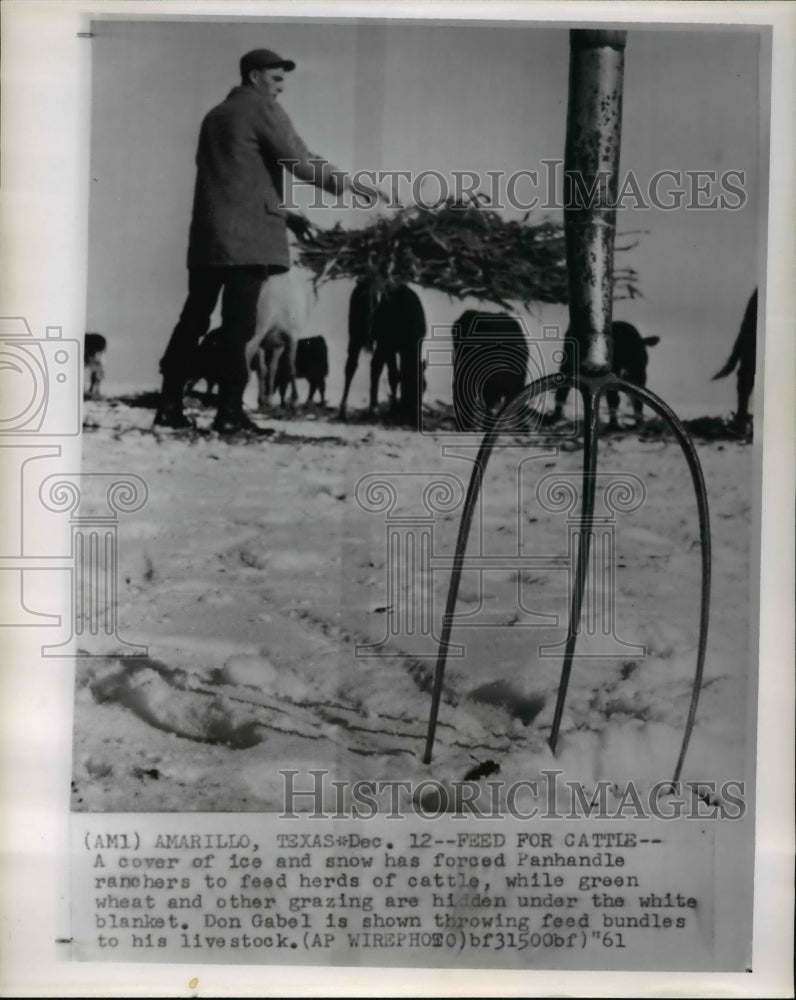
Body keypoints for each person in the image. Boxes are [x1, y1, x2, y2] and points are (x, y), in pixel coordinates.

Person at [155, 48, 385, 432]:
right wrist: (348, 184)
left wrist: (288, 216)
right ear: (254, 77)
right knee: (239, 328)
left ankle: (168, 406)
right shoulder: (261, 109)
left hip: (208, 241)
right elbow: (299, 159)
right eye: (276, 79)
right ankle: (229, 413)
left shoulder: (214, 117)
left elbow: (234, 183)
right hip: (248, 244)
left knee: (193, 320)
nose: (280, 89)